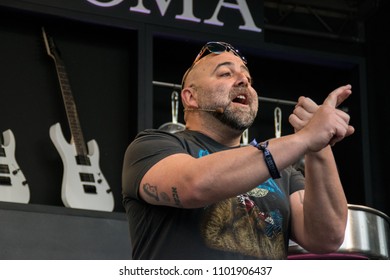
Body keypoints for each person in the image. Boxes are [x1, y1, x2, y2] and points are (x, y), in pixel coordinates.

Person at [122, 41, 354, 260]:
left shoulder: (285, 173)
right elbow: (193, 184)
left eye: (248, 78)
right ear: (191, 97)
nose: (243, 81)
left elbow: (327, 236)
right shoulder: (153, 146)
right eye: (225, 73)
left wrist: (319, 146)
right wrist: (305, 138)